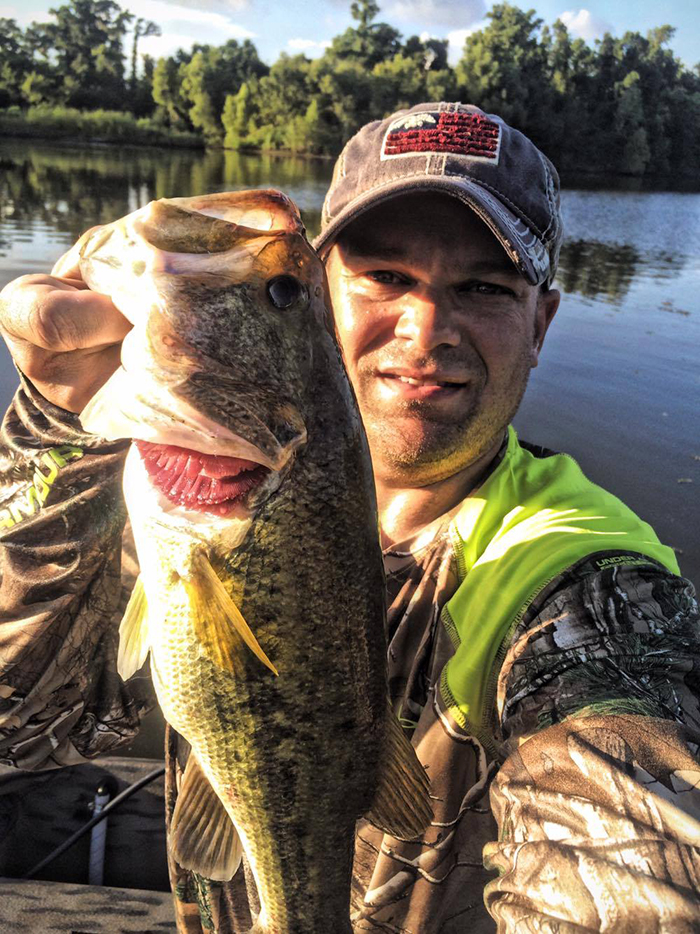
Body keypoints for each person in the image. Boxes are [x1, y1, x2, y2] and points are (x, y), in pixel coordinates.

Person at [0, 101, 699, 932]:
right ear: (326, 296)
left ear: (540, 323)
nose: (426, 329)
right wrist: (50, 424)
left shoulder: (582, 587)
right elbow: (16, 728)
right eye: (385, 276)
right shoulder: (166, 487)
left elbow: (638, 854)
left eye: (481, 286)